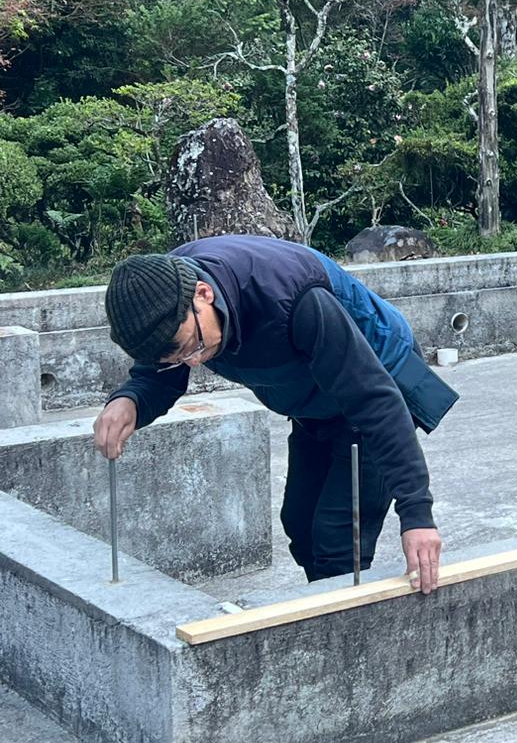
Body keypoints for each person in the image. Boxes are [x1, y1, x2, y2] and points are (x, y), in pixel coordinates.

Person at [92, 234, 458, 592]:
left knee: (338, 540)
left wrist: (417, 514)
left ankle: (341, 632)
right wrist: (132, 399)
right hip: (311, 399)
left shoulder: (293, 298)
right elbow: (159, 375)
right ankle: (323, 607)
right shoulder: (159, 297)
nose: (194, 361)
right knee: (299, 524)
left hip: (375, 382)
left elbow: (375, 401)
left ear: (203, 294)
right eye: (178, 359)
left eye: (195, 347)